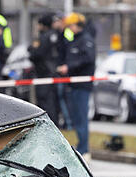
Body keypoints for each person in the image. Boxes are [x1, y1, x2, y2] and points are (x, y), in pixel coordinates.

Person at [57, 13, 95, 158]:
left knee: (81, 118)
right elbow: (62, 47)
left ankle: (84, 149)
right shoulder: (75, 40)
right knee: (77, 118)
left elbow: (88, 58)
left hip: (82, 85)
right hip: (74, 85)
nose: (70, 28)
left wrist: (69, 67)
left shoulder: (86, 40)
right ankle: (81, 147)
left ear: (77, 25)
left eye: (70, 26)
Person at [28, 14, 60, 124]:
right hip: (52, 72)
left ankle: (48, 124)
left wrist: (31, 50)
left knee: (45, 101)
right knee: (51, 101)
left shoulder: (44, 37)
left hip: (44, 72)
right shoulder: (55, 35)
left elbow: (37, 54)